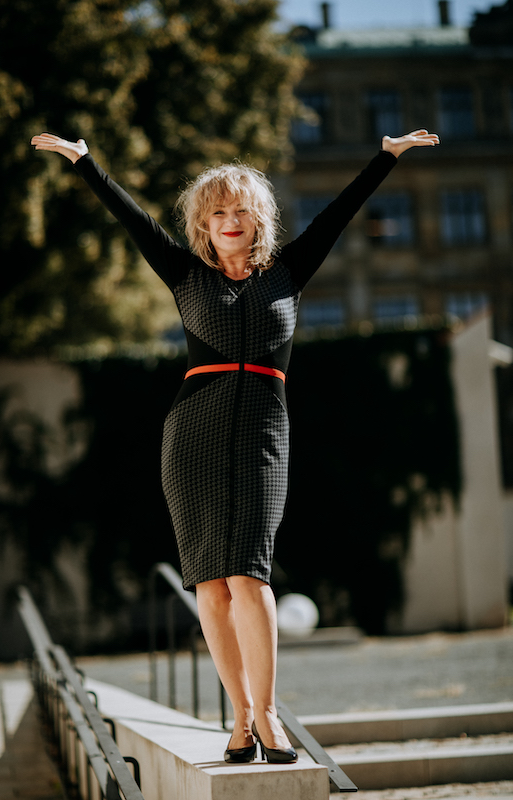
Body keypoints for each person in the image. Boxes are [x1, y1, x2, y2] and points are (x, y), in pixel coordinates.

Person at [31, 128, 439, 764]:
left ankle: (269, 713)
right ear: (204, 222)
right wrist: (86, 164)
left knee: (250, 572)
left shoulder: (289, 273)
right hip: (192, 438)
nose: (229, 219)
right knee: (210, 584)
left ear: (258, 220)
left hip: (263, 438)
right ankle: (241, 716)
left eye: (241, 210)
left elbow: (337, 215)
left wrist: (384, 158)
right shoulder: (185, 274)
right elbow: (134, 221)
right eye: (218, 210)